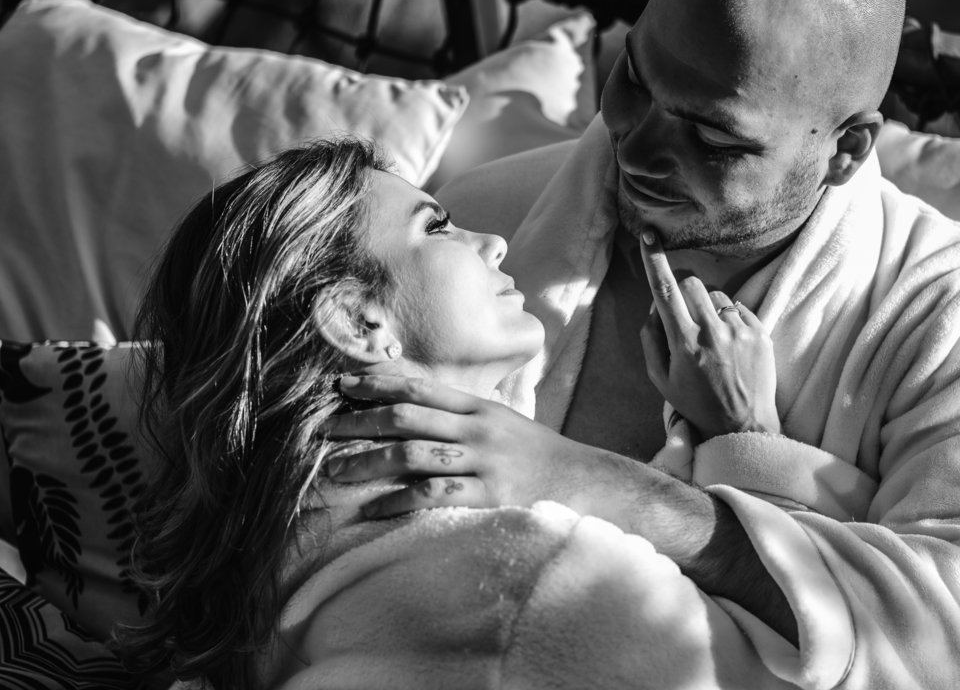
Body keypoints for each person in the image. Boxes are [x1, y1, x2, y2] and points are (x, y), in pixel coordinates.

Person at [325, 0, 960, 689]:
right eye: (633, 77)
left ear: (847, 149)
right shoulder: (483, 222)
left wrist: (608, 483)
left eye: (714, 136)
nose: (637, 149)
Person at [120, 137, 798, 690]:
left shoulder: (267, 580)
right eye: (436, 226)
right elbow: (823, 665)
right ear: (357, 321)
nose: (495, 241)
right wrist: (746, 438)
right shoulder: (531, 587)